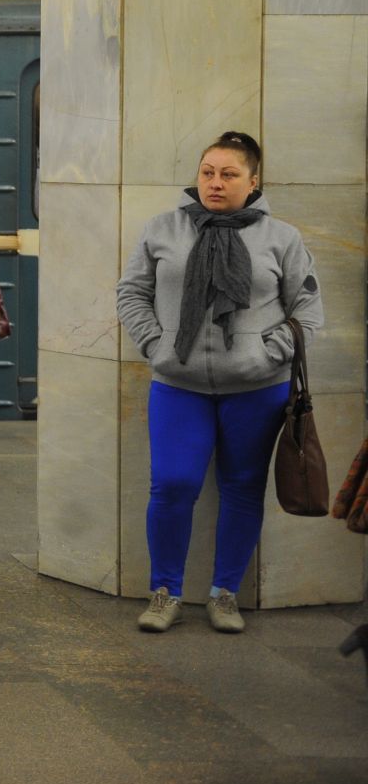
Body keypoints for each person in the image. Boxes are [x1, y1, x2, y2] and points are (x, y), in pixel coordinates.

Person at [116, 131, 323, 635]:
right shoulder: (162, 229)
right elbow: (131, 293)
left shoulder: (282, 238)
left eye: (229, 174)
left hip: (256, 389)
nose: (214, 182)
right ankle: (165, 591)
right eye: (207, 172)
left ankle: (224, 593)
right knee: (172, 484)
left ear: (253, 182)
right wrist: (155, 345)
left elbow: (308, 312)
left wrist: (264, 356)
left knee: (242, 488)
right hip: (178, 384)